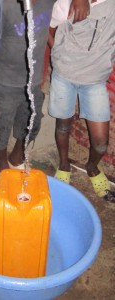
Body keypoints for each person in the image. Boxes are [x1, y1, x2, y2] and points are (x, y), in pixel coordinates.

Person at [0, 0, 90, 172]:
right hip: (4, 81)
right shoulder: (1, 6)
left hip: (33, 81)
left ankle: (16, 157)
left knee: (31, 123)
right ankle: (1, 163)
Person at [48, 0, 115, 197]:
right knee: (62, 125)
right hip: (64, 75)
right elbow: (46, 25)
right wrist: (56, 51)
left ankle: (92, 167)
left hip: (94, 81)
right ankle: (63, 164)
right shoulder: (65, 3)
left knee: (101, 142)